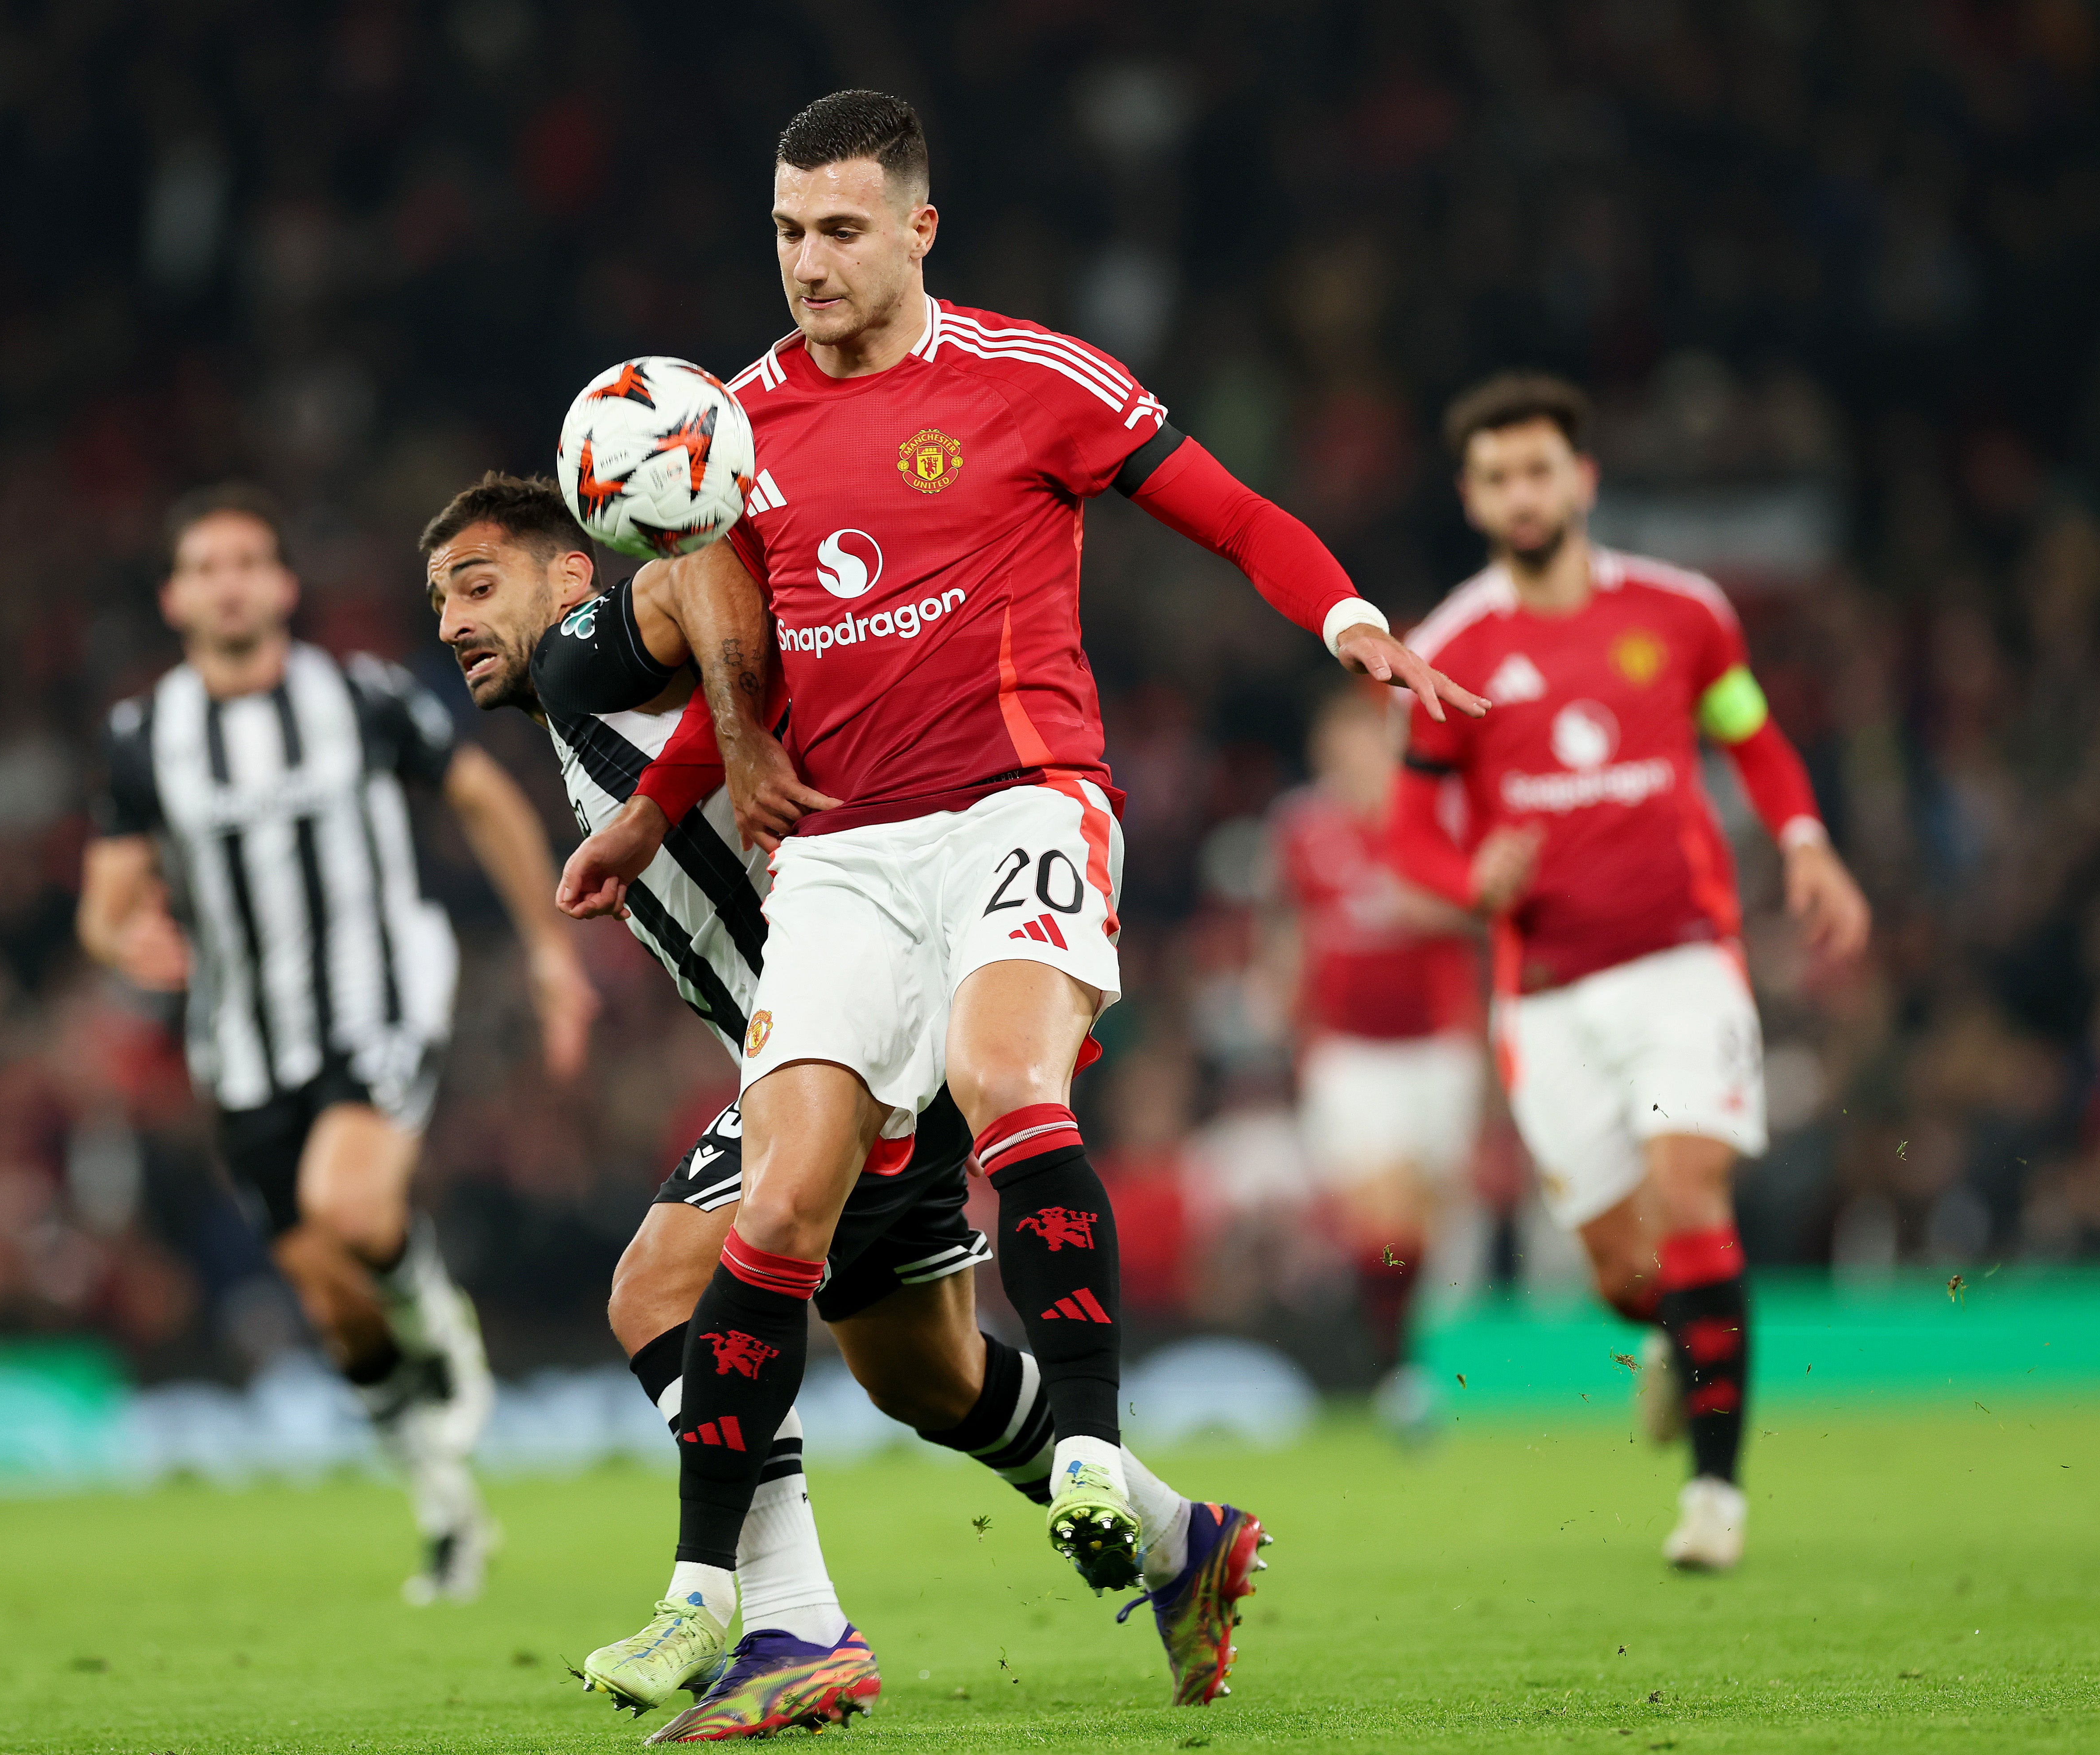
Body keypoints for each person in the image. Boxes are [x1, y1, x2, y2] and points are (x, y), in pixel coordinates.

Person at [558, 89, 1480, 1707]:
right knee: (774, 1210)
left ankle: (1093, 1450)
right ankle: (707, 1588)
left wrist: (1341, 615)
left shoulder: (1026, 377)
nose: (807, 264)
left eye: (840, 230)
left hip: (1016, 802)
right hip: (839, 853)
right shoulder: (740, 424)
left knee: (1003, 1078)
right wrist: (652, 809)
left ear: (918, 227)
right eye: (785, 233)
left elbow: (1233, 512)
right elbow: (769, 657)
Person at [420, 472, 1241, 1733]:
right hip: (858, 1033)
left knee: (657, 1290)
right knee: (927, 1377)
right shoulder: (576, 719)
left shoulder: (604, 652)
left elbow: (701, 567)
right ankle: (1184, 1539)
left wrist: (739, 744)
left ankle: (794, 1623)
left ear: (570, 579)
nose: (452, 622)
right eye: (438, 601)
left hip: (865, 1035)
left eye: (479, 586)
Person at [78, 482, 599, 1604]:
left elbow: (484, 801)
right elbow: (105, 898)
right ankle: (446, 1505)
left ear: (280, 585)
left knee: (351, 1206)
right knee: (328, 1290)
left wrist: (550, 952)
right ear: (176, 596)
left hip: (380, 995)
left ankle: (441, 1322)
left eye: (247, 561)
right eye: (206, 565)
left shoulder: (358, 698)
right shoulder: (145, 738)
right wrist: (132, 936)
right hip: (244, 1042)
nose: (228, 581)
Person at [1383, 373, 1871, 1571]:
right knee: (1622, 1274)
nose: (1522, 492)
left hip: (1682, 967)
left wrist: (1805, 844)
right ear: (1471, 498)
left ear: (1582, 479)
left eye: (1540, 468)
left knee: (1690, 1183)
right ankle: (1681, 1345)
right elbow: (1407, 837)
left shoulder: (1686, 613)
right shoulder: (1448, 650)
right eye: (1497, 477)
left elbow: (1750, 733)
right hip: (1545, 998)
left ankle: (1714, 1498)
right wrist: (1468, 885)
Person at [1262, 688, 1485, 1432]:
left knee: (1431, 1213)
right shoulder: (1301, 828)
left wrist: (1432, 905)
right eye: (1343, 742)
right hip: (1347, 1049)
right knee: (1379, 1217)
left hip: (1437, 1040)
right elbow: (1291, 924)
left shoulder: (1434, 816)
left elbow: (1478, 902)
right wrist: (1282, 1002)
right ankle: (1395, 1370)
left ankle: (1423, 1361)